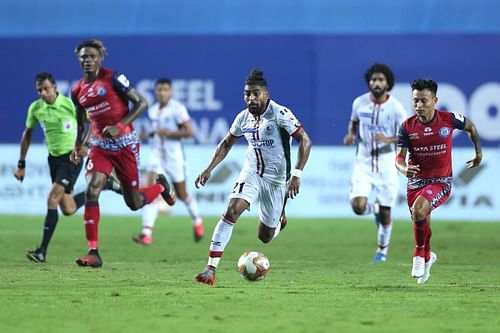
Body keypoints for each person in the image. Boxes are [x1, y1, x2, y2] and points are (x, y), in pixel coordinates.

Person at [193, 69, 312, 286]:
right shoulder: (243, 118)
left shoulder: (280, 114)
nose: (251, 98)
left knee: (265, 237)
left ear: (266, 94)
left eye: (256, 93)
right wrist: (209, 168)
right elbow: (227, 143)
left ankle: (279, 221)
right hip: (252, 172)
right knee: (231, 210)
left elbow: (305, 141)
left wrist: (296, 174)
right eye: (247, 94)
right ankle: (210, 268)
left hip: (276, 181)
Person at [70, 39, 176, 268]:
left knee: (135, 202)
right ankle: (93, 252)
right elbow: (82, 123)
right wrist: (78, 145)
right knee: (92, 188)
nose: (88, 60)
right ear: (78, 59)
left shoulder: (113, 78)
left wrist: (120, 124)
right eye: (84, 57)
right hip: (100, 147)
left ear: (100, 58)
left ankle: (161, 187)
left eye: (92, 56)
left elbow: (142, 103)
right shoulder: (77, 90)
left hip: (125, 144)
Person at [396, 78, 482, 284]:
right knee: (421, 218)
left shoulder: (449, 119)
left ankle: (419, 254)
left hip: (441, 181)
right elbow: (399, 157)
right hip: (415, 184)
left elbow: (471, 127)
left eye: (423, 101)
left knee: (419, 210)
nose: (418, 105)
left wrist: (478, 153)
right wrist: (404, 168)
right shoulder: (407, 126)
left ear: (435, 100)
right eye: (415, 101)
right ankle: (429, 257)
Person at [14, 73, 86, 263]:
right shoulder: (36, 108)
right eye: (39, 90)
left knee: (52, 198)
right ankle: (103, 185)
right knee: (68, 209)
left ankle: (41, 251)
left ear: (55, 87)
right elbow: (27, 134)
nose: (43, 93)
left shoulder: (69, 104)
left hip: (71, 157)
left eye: (46, 88)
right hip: (53, 159)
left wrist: (84, 146)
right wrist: (21, 163)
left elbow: (86, 124)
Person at [343, 63, 407, 263]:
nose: (376, 83)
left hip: (388, 163)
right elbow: (353, 121)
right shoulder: (359, 103)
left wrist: (388, 139)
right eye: (373, 79)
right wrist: (351, 134)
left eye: (380, 80)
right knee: (358, 206)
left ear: (388, 83)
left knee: (387, 213)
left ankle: (382, 251)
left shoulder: (396, 108)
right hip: (364, 161)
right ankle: (375, 209)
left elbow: (407, 135)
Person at [133, 78, 204, 245]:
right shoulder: (153, 110)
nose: (162, 92)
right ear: (155, 91)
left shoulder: (177, 109)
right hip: (156, 154)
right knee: (150, 190)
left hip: (174, 156)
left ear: (170, 92)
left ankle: (197, 220)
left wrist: (169, 133)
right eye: (159, 89)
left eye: (165, 89)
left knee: (182, 194)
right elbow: (157, 131)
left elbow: (189, 132)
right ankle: (146, 233)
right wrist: (148, 134)